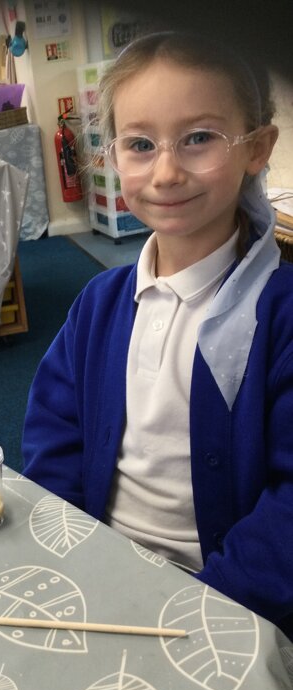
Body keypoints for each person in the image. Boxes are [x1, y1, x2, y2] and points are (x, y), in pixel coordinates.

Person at [22, 31, 293, 638]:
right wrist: (67, 554)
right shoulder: (99, 302)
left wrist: (208, 606)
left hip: (225, 605)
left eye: (199, 138)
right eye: (141, 145)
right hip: (98, 571)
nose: (166, 172)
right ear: (114, 155)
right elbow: (54, 435)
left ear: (256, 147)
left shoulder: (281, 317)